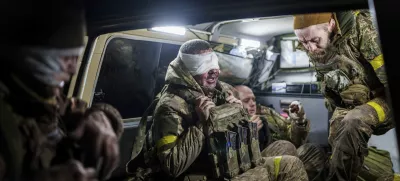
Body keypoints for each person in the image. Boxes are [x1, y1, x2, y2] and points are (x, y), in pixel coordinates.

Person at [144, 39, 308, 181]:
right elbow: (173, 166)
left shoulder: (223, 90)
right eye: (204, 65)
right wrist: (203, 125)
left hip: (235, 162)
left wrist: (239, 112)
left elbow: (236, 134)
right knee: (290, 166)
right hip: (208, 174)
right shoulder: (170, 106)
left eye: (213, 63)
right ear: (187, 71)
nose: (215, 71)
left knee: (287, 151)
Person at [0, 0, 123, 181]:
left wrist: (101, 116)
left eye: (76, 58)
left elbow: (71, 109)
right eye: (66, 59)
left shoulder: (48, 99)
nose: (73, 70)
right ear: (30, 56)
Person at [293, 10, 393, 181]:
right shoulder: (314, 46)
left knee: (355, 120)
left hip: (385, 99)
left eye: (315, 41)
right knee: (338, 136)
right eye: (303, 42)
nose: (311, 48)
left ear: (331, 24)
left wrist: (365, 102)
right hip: (352, 103)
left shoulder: (362, 28)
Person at [234, 85, 326, 180]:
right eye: (246, 101)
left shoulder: (265, 113)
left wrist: (299, 121)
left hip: (283, 154)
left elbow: (291, 137)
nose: (252, 103)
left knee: (314, 150)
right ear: (234, 103)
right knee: (285, 147)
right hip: (256, 164)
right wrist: (248, 134)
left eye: (253, 99)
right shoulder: (232, 123)